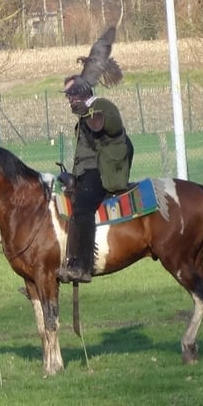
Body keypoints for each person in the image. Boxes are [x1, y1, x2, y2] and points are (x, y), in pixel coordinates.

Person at [56, 75, 134, 284]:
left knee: (82, 209)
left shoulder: (103, 106)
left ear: (83, 91)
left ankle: (84, 265)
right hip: (86, 172)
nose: (69, 100)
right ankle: (67, 260)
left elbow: (112, 125)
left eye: (71, 94)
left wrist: (88, 113)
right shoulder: (85, 115)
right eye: (67, 96)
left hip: (100, 172)